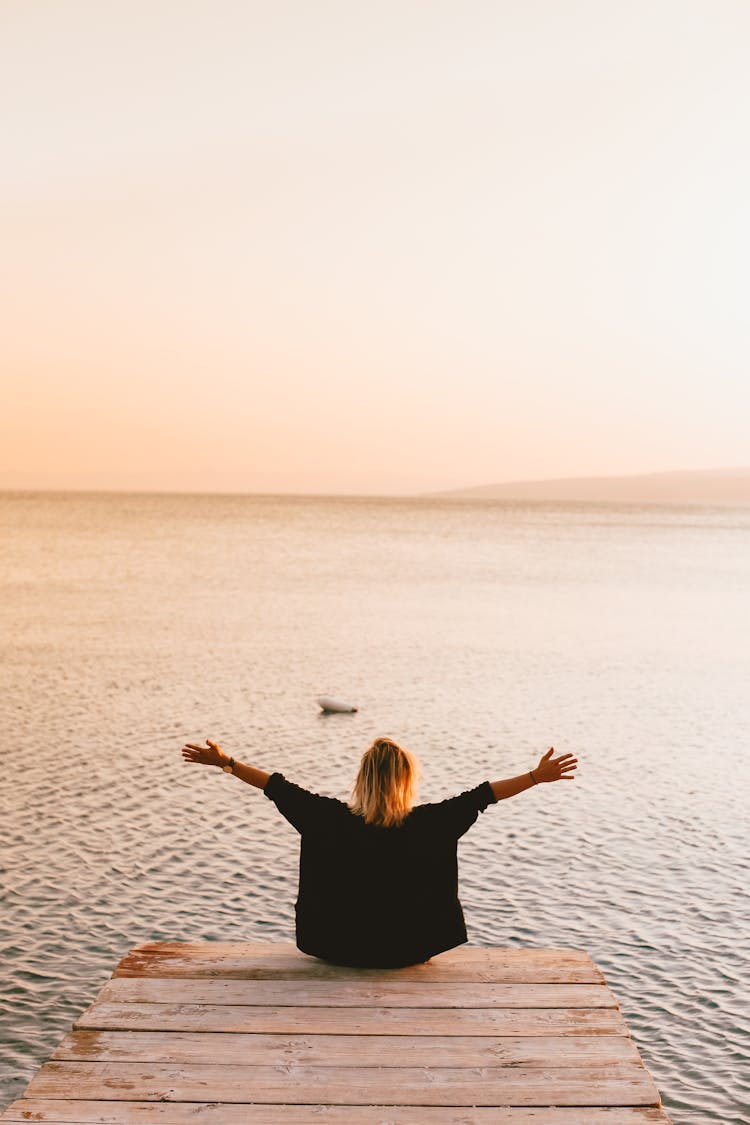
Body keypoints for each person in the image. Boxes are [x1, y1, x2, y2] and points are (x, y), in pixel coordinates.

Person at [180, 736, 578, 968]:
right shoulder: (433, 822)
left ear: (362, 778)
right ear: (408, 780)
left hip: (333, 948)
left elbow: (275, 786)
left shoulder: (326, 817)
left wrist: (226, 763)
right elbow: (484, 795)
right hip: (409, 952)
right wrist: (535, 778)